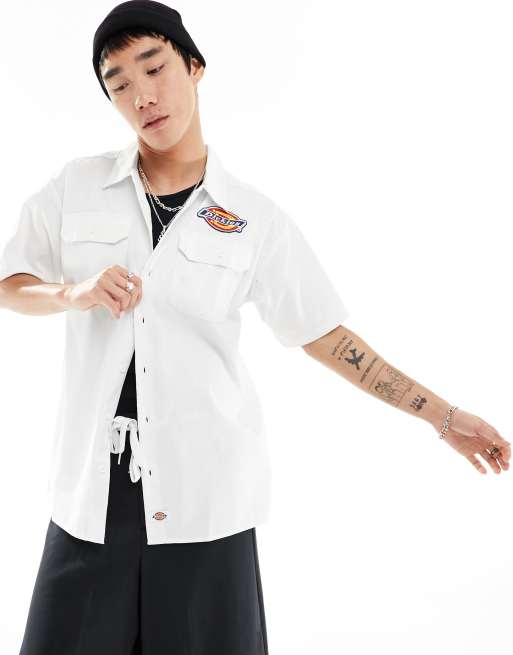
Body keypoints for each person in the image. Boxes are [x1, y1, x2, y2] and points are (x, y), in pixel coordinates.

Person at [0, 1, 509, 653]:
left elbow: (325, 334)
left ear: (194, 67)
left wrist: (442, 415)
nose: (141, 95)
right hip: (89, 504)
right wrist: (71, 293)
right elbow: (10, 282)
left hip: (205, 507)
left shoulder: (252, 218)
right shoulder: (76, 186)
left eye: (153, 67)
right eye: (118, 84)